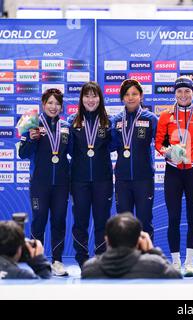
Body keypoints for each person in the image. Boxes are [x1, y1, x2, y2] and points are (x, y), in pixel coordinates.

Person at [155, 77, 193, 277]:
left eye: (187, 91)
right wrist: (169, 153)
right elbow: (159, 143)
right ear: (175, 94)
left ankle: (189, 263)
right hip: (173, 172)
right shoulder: (165, 116)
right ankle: (176, 262)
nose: (183, 95)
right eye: (180, 92)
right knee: (173, 218)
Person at [18, 88, 70, 277]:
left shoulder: (66, 126)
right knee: (39, 221)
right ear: (43, 104)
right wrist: (31, 141)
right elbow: (22, 153)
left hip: (62, 184)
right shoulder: (32, 124)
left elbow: (73, 152)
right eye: (50, 103)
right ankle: (37, 262)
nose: (53, 107)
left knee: (58, 221)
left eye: (57, 103)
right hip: (40, 183)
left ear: (61, 107)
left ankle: (57, 261)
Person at [68, 82, 113, 269]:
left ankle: (101, 259)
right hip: (79, 180)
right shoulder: (72, 121)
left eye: (94, 96)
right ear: (81, 99)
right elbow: (66, 149)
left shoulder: (109, 122)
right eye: (87, 96)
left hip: (103, 179)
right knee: (80, 221)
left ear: (100, 99)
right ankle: (83, 260)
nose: (91, 100)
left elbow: (117, 145)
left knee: (103, 221)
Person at [111, 79, 158, 238]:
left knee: (145, 221)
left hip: (144, 179)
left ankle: (146, 259)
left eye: (134, 94)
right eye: (127, 94)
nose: (130, 98)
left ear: (141, 96)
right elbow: (109, 145)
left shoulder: (151, 118)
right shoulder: (115, 120)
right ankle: (126, 260)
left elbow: (162, 143)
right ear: (122, 98)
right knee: (123, 223)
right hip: (122, 179)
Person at [81, 213, 182, 279]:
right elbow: (176, 276)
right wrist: (152, 250)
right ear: (139, 240)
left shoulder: (89, 269)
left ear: (107, 240)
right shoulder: (154, 265)